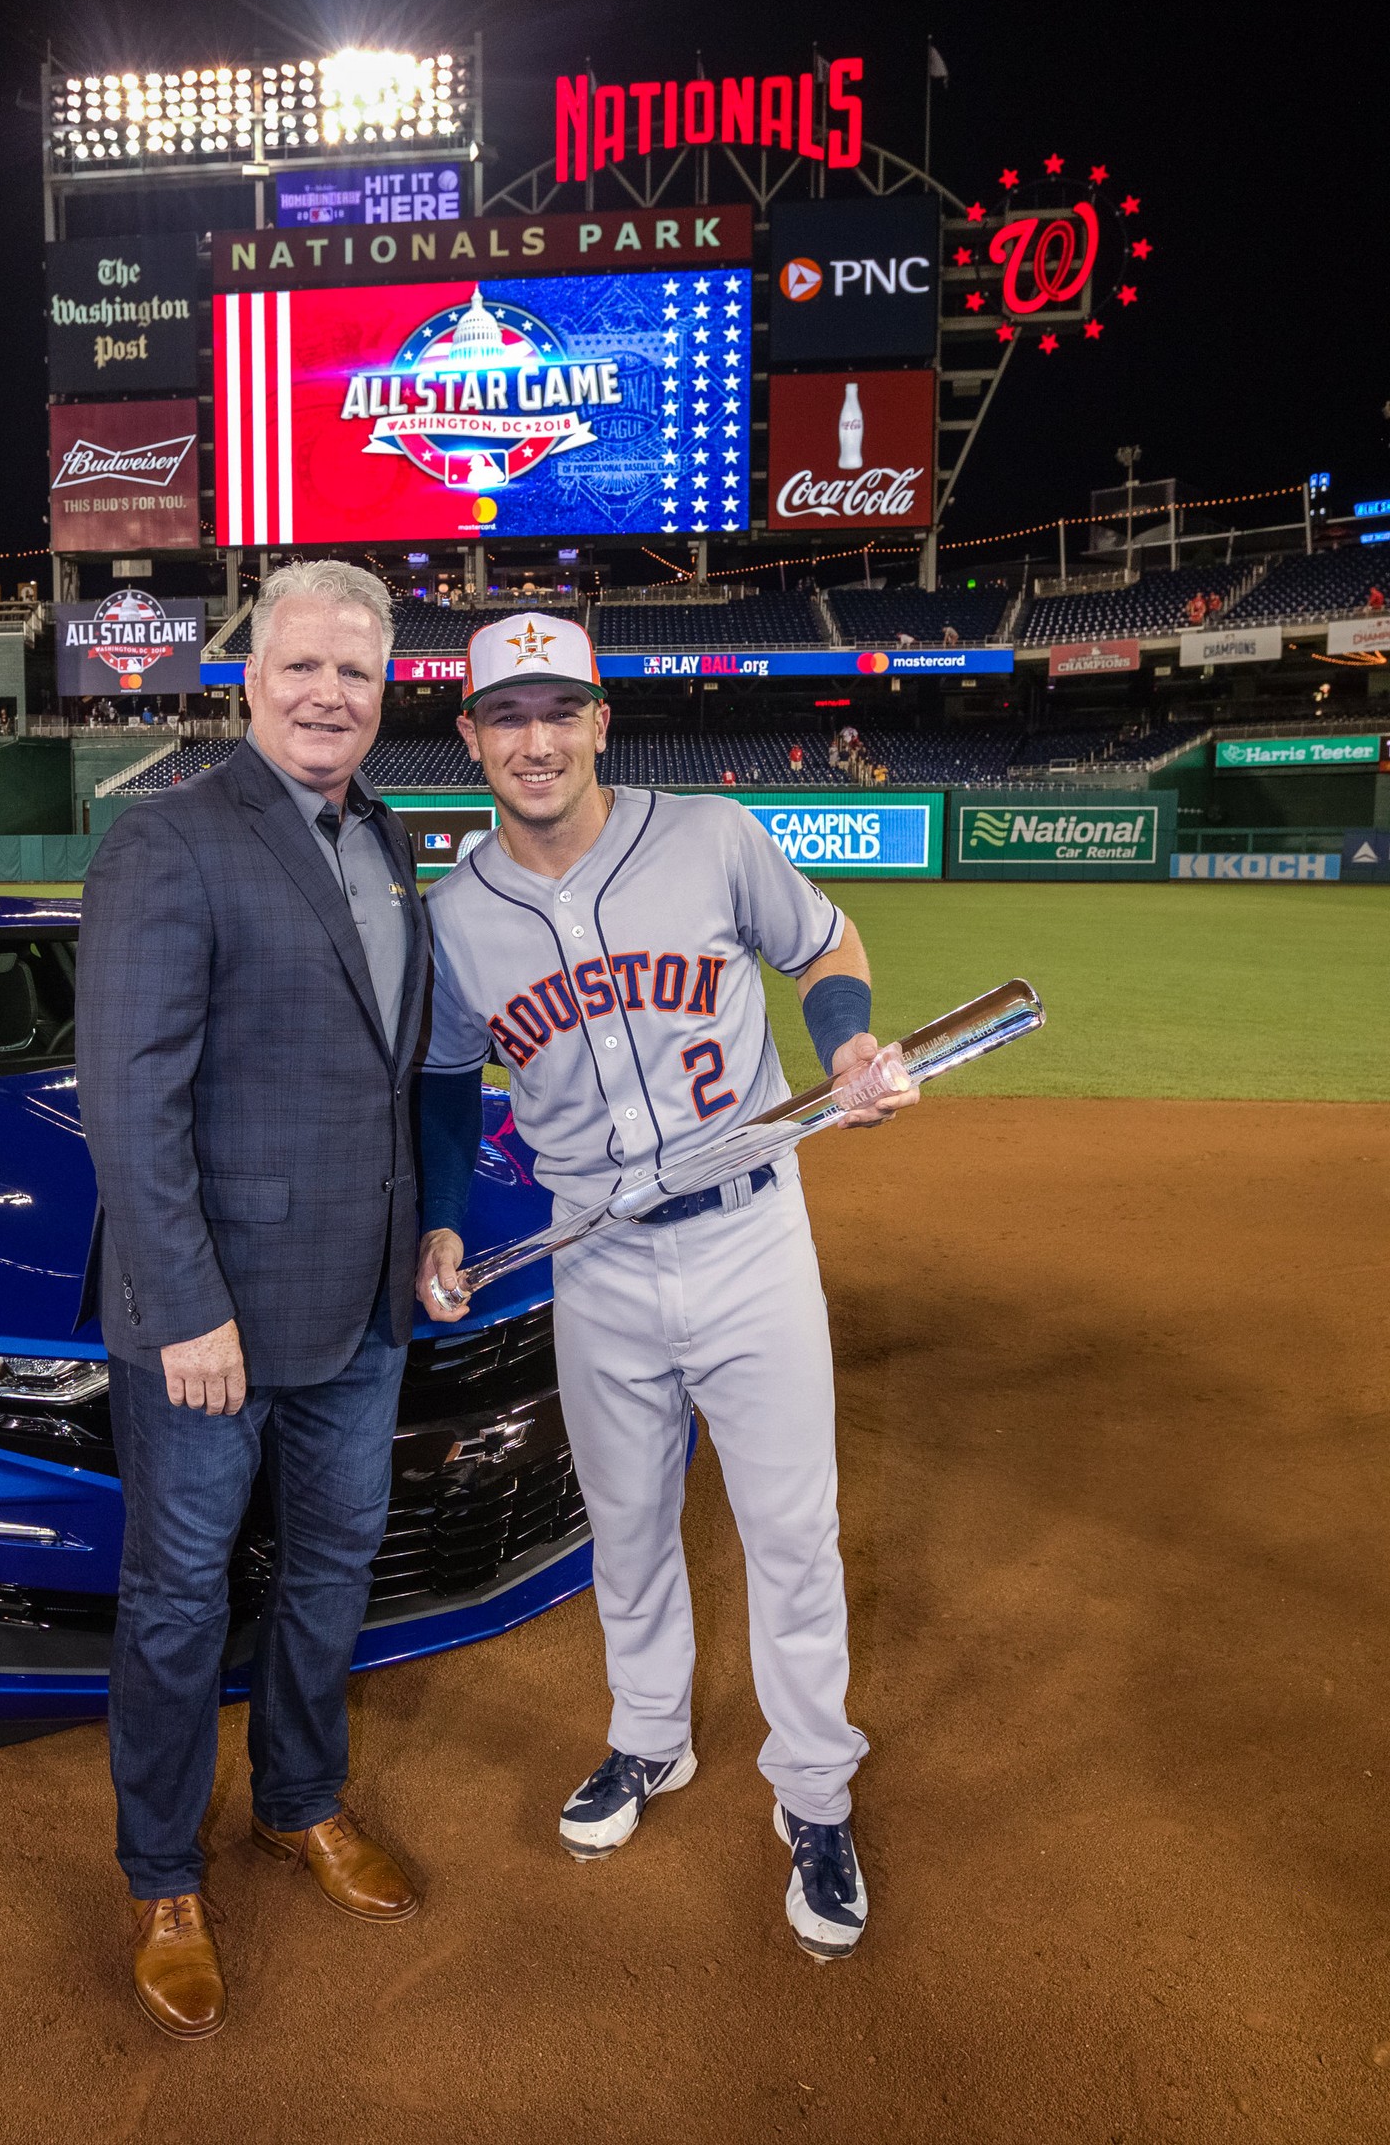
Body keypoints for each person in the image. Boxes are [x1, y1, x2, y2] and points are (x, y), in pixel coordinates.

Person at [414, 613, 918, 1964]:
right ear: (470, 737)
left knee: (790, 1534)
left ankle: (814, 1795)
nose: (533, 738)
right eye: (504, 715)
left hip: (751, 1235)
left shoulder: (709, 836)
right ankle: (650, 1744)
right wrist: (445, 1222)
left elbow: (827, 942)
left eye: (556, 709)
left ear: (600, 722)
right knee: (625, 1527)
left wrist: (851, 1040)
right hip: (596, 1259)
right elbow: (450, 1080)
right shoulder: (456, 918)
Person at [76, 560, 429, 2041]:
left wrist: (422, 1235)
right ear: (247, 678)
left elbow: (387, 1079)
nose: (328, 693)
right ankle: (163, 1874)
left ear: (385, 685)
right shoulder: (169, 839)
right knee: (175, 1598)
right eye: (301, 667)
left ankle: (298, 1800)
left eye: (356, 671)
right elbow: (128, 1095)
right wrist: (184, 1304)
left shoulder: (390, 837)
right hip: (211, 1316)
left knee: (333, 1566)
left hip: (360, 1304)